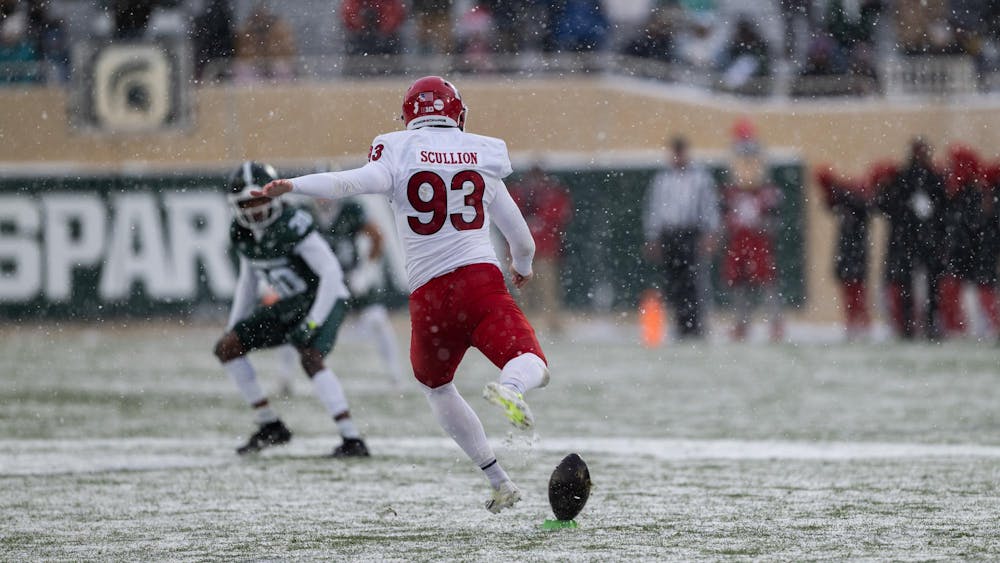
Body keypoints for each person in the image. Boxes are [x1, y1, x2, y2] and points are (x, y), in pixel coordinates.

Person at [255, 76, 550, 514]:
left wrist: (294, 185)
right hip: (479, 283)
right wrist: (522, 269)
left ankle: (498, 480)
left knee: (437, 387)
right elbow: (522, 241)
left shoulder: (397, 149)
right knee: (532, 363)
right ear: (458, 113)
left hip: (429, 298)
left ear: (410, 115)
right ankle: (510, 387)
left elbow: (348, 183)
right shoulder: (482, 155)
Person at [212, 161, 370, 458]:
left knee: (310, 355)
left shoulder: (292, 222)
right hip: (289, 303)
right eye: (247, 202)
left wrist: (313, 322)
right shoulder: (242, 232)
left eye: (261, 199)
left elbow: (331, 273)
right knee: (227, 347)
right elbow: (248, 280)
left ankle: (352, 439)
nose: (255, 209)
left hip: (325, 297)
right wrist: (234, 323)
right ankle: (270, 425)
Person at [273, 196, 406, 395]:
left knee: (377, 319)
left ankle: (395, 375)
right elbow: (284, 244)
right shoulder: (303, 214)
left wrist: (366, 272)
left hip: (347, 278)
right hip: (315, 281)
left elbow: (377, 236)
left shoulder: (350, 211)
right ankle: (284, 377)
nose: (323, 198)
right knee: (293, 322)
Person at [642, 136, 720, 340]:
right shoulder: (662, 180)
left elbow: (709, 207)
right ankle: (680, 325)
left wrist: (710, 233)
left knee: (694, 282)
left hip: (691, 233)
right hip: (669, 235)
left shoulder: (701, 178)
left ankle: (696, 326)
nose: (677, 156)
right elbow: (655, 209)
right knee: (674, 282)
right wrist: (653, 237)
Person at [721, 119, 784, 342]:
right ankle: (741, 323)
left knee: (766, 281)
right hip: (740, 237)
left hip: (758, 237)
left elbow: (773, 214)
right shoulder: (732, 186)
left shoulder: (763, 186)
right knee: (740, 283)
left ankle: (775, 323)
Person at [877, 138, 947, 340]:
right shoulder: (904, 178)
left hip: (927, 239)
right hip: (908, 240)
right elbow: (889, 206)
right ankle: (909, 325)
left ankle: (930, 324)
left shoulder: (932, 178)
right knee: (908, 285)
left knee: (931, 285)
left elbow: (943, 208)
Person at [816, 162, 882, 340]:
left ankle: (860, 323)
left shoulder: (857, 204)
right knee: (850, 291)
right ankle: (854, 323)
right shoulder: (848, 202)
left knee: (857, 290)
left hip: (855, 251)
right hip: (848, 251)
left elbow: (866, 206)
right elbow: (829, 203)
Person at [509, 164, 573, 335]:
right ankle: (524, 323)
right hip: (521, 251)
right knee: (523, 291)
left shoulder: (551, 194)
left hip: (544, 249)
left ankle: (552, 323)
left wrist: (538, 223)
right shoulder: (518, 193)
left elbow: (559, 214)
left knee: (548, 289)